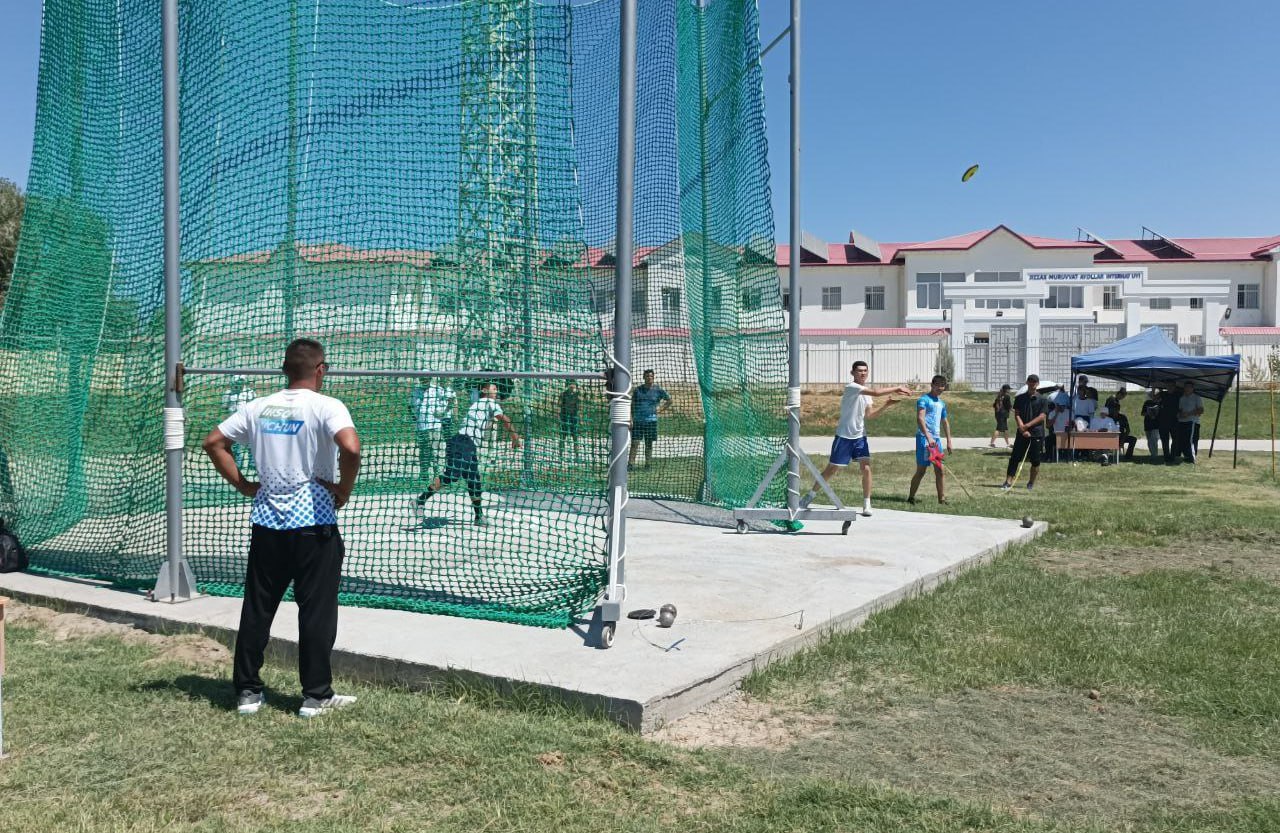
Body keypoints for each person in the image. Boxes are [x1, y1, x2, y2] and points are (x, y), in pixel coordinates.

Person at [202, 339, 362, 719]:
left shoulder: (257, 407)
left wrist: (244, 485)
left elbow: (214, 442)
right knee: (316, 612)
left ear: (285, 369)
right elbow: (351, 448)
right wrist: (344, 489)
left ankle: (247, 692)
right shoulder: (327, 406)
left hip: (268, 523)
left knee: (258, 608)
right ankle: (315, 696)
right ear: (320, 369)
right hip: (315, 524)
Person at [801, 360, 911, 517]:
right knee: (831, 469)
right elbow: (876, 392)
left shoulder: (866, 395)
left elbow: (870, 415)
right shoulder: (852, 387)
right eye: (859, 370)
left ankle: (867, 504)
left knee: (866, 468)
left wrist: (886, 405)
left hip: (860, 436)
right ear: (852, 373)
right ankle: (810, 496)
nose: (863, 373)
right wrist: (897, 387)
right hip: (844, 436)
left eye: (865, 370)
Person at [415, 382, 520, 526]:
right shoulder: (488, 402)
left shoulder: (480, 404)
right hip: (463, 442)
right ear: (484, 391)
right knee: (452, 475)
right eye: (494, 388)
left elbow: (487, 423)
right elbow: (505, 419)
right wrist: (515, 438)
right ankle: (420, 501)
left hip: (467, 444)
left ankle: (479, 517)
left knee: (474, 480)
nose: (496, 390)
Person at [907, 375, 952, 505]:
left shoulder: (941, 403)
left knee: (940, 469)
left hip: (936, 440)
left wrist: (949, 441)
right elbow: (920, 418)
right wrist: (928, 436)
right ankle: (911, 497)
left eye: (942, 386)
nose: (940, 389)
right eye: (938, 386)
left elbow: (945, 421)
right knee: (921, 470)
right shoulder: (923, 400)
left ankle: (941, 499)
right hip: (924, 438)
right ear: (932, 385)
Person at [1001, 374, 1049, 491]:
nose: (1032, 383)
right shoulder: (1020, 398)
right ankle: (1008, 481)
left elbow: (1042, 416)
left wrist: (1027, 426)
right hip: (1022, 432)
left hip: (1036, 433)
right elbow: (1017, 414)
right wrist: (1022, 427)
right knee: (1015, 458)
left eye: (1034, 381)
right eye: (1030, 381)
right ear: (1027, 382)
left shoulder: (1043, 399)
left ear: (1037, 384)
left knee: (1035, 460)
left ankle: (1031, 482)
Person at [409, 377, 456, 481]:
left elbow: (451, 398)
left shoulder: (437, 389)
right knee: (423, 450)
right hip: (421, 427)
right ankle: (424, 473)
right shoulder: (416, 391)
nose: (424, 380)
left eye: (426, 378)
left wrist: (443, 412)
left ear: (430, 379)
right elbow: (410, 406)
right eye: (422, 379)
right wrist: (415, 419)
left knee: (435, 450)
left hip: (434, 425)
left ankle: (437, 474)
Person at [629, 369, 671, 469]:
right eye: (647, 376)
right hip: (638, 421)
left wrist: (659, 410)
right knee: (635, 443)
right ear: (644, 377)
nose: (649, 378)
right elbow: (632, 405)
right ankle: (630, 464)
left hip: (651, 421)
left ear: (653, 377)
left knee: (649, 443)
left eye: (651, 376)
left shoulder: (658, 390)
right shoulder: (638, 390)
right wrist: (630, 418)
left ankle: (648, 464)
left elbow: (669, 400)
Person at [221, 375, 258, 472]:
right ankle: (238, 463)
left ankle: (252, 463)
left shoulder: (249, 392)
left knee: (251, 443)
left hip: (247, 421)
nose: (239, 383)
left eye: (241, 381)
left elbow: (255, 407)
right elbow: (224, 408)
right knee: (235, 444)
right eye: (237, 381)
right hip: (233, 421)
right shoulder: (228, 393)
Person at [1176, 381, 1204, 464]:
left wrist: (1189, 413)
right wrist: (1180, 414)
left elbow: (1201, 410)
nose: (1187, 388)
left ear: (1192, 388)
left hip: (1192, 422)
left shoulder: (1196, 397)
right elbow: (1180, 410)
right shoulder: (1182, 398)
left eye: (1189, 387)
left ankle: (1192, 458)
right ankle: (1186, 456)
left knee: (1191, 440)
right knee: (1182, 439)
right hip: (1182, 422)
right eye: (1186, 387)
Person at [1158, 385, 1181, 464]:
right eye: (1168, 385)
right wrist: (1154, 388)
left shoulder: (1178, 394)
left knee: (1176, 439)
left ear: (1175, 386)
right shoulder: (1163, 394)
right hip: (1163, 420)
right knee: (1164, 440)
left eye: (1172, 385)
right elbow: (1153, 398)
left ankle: (1173, 456)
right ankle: (1166, 456)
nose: (1170, 387)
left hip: (1174, 421)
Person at [559, 380, 581, 459]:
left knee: (575, 436)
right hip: (564, 417)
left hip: (573, 417)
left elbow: (580, 406)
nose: (572, 386)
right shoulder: (563, 394)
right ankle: (560, 455)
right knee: (563, 436)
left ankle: (577, 456)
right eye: (570, 384)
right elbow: (559, 405)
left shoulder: (577, 394)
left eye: (573, 384)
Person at [1140, 388, 1162, 460]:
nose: (1154, 396)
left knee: (1154, 440)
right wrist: (1149, 413)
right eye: (1153, 395)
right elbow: (1142, 413)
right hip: (1148, 424)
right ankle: (1152, 454)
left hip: (1157, 425)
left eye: (1156, 395)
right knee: (1149, 441)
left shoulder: (1160, 403)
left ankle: (1154, 455)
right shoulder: (1147, 402)